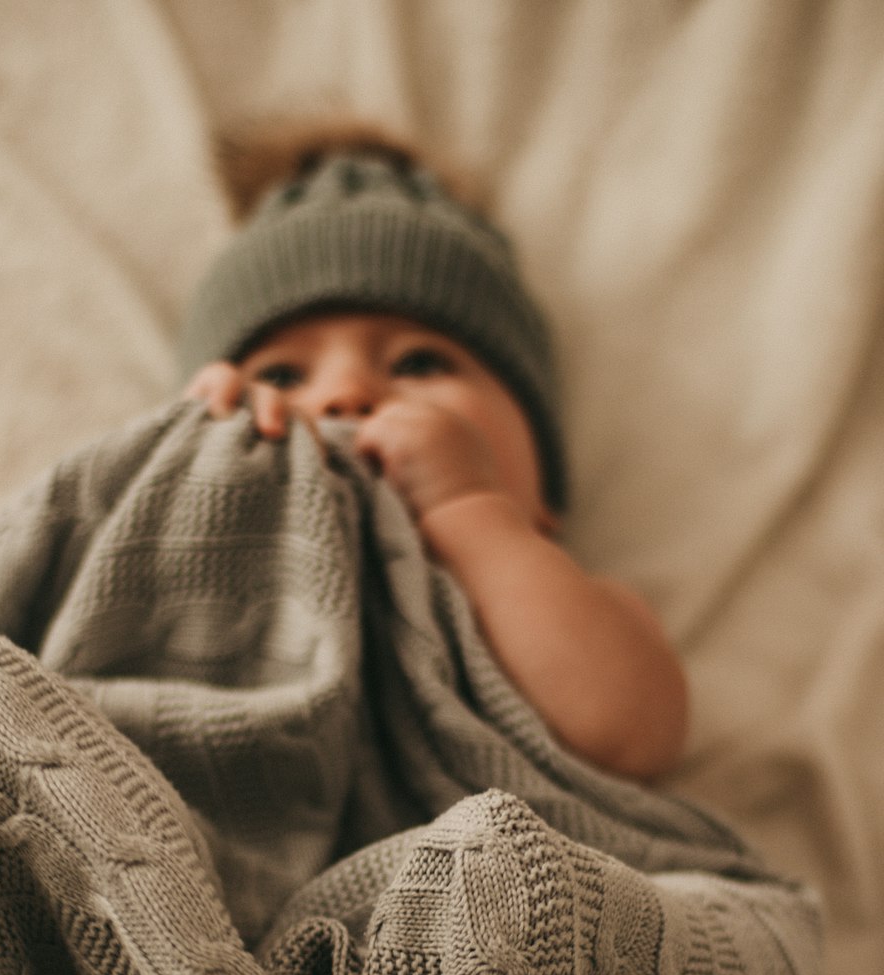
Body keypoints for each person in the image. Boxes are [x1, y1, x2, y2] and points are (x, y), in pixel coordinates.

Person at [179, 121, 688, 781]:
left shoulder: (577, 604)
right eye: (280, 377)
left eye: (420, 363)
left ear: (546, 490)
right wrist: (191, 473)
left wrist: (471, 510)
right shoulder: (221, 538)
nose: (347, 394)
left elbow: (625, 736)